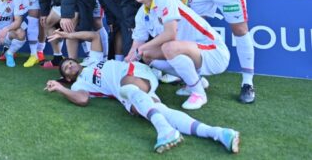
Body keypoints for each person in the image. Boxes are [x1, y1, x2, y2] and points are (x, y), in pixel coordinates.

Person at [44, 30, 240, 154]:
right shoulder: (79, 85)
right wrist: (61, 89)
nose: (69, 66)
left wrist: (66, 36)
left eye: (70, 62)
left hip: (133, 72)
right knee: (160, 111)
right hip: (128, 93)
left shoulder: (92, 60)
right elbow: (82, 100)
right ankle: (219, 133)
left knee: (127, 88)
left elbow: (94, 36)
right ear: (68, 78)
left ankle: (165, 131)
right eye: (66, 69)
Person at [124, 0, 230, 110]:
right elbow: (137, 44)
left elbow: (170, 33)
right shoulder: (142, 13)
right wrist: (126, 63)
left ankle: (199, 94)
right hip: (190, 50)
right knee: (147, 55)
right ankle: (195, 81)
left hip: (214, 52)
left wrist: (141, 48)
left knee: (168, 47)